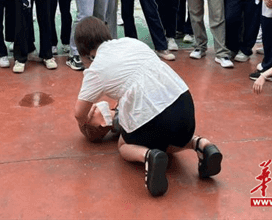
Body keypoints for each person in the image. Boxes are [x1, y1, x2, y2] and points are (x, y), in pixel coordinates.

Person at [73, 17, 222, 197]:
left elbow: (79, 114)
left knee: (123, 145)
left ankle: (148, 156)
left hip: (153, 121)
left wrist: (89, 119)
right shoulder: (130, 42)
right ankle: (202, 144)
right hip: (184, 106)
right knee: (170, 138)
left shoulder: (95, 69)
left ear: (84, 50)